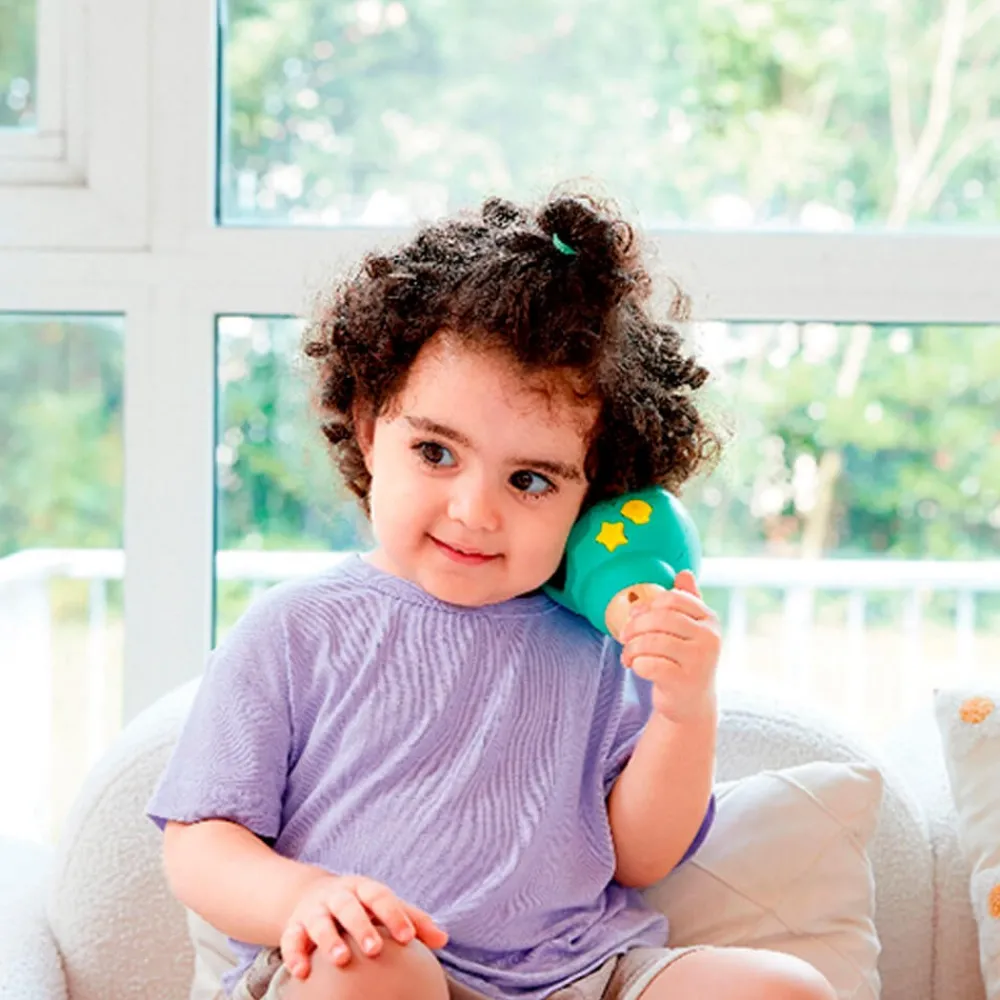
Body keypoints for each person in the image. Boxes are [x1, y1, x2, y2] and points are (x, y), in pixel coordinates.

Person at [148, 190, 836, 1000]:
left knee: (782, 989)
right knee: (373, 973)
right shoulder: (294, 628)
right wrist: (304, 898)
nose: (476, 511)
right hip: (364, 965)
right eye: (437, 452)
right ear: (370, 427)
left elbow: (640, 855)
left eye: (532, 479)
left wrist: (685, 710)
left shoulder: (596, 643)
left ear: (594, 496)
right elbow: (199, 840)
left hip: (581, 973)